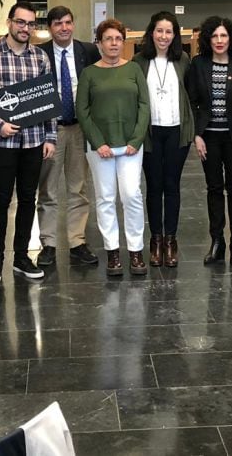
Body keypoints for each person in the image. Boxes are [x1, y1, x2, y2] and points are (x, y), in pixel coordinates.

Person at [0, 1, 56, 284]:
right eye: (21, 22)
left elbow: (48, 101)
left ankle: (21, 256)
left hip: (34, 142)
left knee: (27, 199)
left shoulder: (40, 58)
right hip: (3, 142)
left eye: (31, 24)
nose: (26, 28)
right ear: (9, 23)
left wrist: (50, 136)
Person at [76, 19, 150, 276]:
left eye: (118, 38)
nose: (114, 43)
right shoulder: (89, 74)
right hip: (100, 149)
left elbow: (144, 106)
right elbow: (82, 111)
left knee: (131, 195)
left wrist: (136, 140)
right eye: (108, 38)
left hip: (130, 146)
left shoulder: (134, 70)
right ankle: (113, 253)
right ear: (99, 43)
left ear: (123, 42)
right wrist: (99, 143)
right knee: (106, 199)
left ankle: (136, 251)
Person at [35, 5, 100, 268]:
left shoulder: (89, 51)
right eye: (58, 24)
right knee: (48, 189)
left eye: (68, 22)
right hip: (51, 131)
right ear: (50, 28)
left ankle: (77, 242)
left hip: (80, 128)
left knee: (78, 188)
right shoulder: (39, 54)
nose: (64, 28)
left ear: (74, 24)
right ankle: (48, 244)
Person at [186, 15, 232, 266]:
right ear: (207, 39)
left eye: (224, 35)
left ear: (231, 38)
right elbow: (192, 101)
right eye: (214, 36)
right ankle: (217, 241)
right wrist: (197, 135)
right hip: (209, 138)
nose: (219, 40)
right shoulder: (198, 64)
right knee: (214, 189)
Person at [132, 11, 194, 268]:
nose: (164, 36)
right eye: (159, 31)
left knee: (172, 185)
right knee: (154, 185)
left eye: (169, 32)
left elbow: (191, 94)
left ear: (175, 35)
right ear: (151, 33)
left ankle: (171, 239)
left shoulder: (184, 60)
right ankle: (155, 239)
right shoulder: (138, 61)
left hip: (177, 131)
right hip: (150, 132)